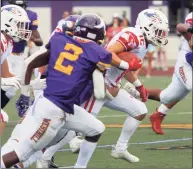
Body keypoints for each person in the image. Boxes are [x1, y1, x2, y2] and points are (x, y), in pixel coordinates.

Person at [1, 13, 139, 168]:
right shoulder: (96, 51)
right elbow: (102, 86)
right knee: (21, 153)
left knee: (96, 128)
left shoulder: (59, 39)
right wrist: (129, 65)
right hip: (53, 112)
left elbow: (31, 64)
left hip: (55, 104)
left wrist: (25, 94)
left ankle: (80, 167)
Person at [64, 8, 169, 163]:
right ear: (147, 27)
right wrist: (127, 65)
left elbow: (122, 65)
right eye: (158, 31)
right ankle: (46, 156)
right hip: (99, 82)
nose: (161, 36)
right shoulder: (134, 36)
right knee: (82, 129)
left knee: (139, 110)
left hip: (111, 85)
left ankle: (120, 148)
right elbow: (107, 55)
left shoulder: (141, 41)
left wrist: (138, 85)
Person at [148, 12, 193, 135]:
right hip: (187, 62)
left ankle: (137, 93)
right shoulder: (191, 17)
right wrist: (190, 29)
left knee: (165, 97)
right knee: (190, 86)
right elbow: (181, 28)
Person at [0, 4, 32, 136]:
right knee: (2, 117)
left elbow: (6, 74)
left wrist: (29, 85)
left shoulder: (8, 43)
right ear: (7, 23)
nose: (22, 29)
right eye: (19, 25)